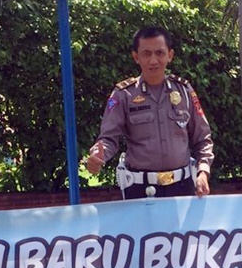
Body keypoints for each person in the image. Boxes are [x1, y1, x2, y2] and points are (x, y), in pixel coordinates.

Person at [84, 26, 214, 199]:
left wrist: (203, 171)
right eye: (146, 54)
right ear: (136, 57)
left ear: (170, 55)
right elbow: (108, 138)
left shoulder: (184, 91)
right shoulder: (124, 94)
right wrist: (98, 156)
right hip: (140, 189)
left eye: (159, 53)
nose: (153, 60)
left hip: (182, 187)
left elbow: (202, 138)